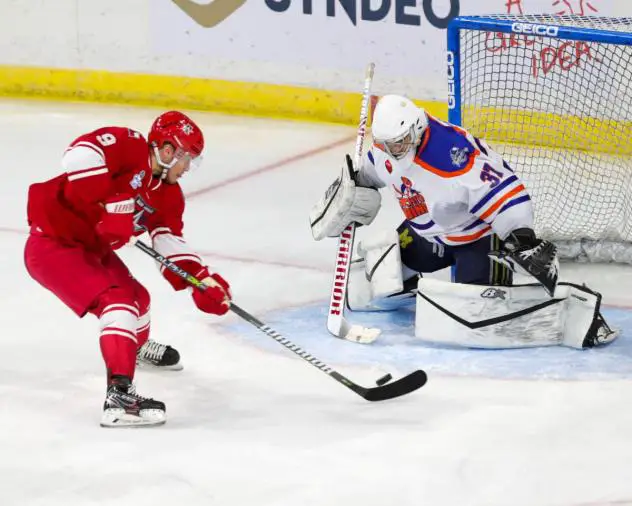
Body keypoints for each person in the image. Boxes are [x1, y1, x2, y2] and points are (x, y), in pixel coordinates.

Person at [310, 95, 617, 349]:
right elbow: (371, 174)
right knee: (367, 285)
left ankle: (571, 311)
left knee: (478, 319)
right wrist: (353, 190)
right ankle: (414, 289)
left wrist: (522, 238)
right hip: (428, 237)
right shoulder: (386, 149)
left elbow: (506, 191)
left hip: (478, 241)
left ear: (416, 130)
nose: (393, 151)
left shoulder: (453, 156)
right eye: (387, 145)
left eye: (400, 143)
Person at [24, 111, 232, 427]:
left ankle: (130, 348)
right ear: (166, 150)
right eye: (186, 157)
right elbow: (78, 155)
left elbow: (169, 240)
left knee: (139, 299)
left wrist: (200, 281)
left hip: (91, 249)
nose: (188, 167)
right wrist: (112, 201)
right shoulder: (129, 145)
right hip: (53, 243)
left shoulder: (168, 195)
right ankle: (119, 396)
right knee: (118, 302)